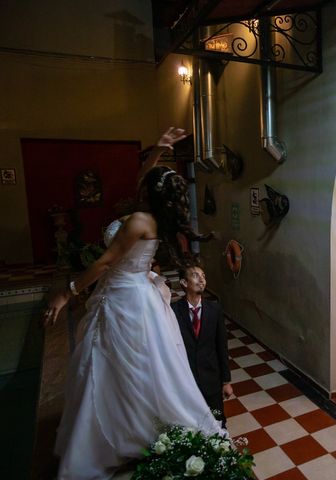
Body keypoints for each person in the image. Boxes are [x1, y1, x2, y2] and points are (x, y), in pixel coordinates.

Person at [43, 128, 226, 479]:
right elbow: (142, 180)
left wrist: (68, 291)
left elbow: (107, 262)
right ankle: (133, 426)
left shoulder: (141, 220)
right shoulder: (149, 213)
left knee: (125, 367)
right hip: (133, 292)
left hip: (125, 297)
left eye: (146, 180)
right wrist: (157, 152)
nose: (139, 182)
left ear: (149, 193)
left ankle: (126, 435)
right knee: (132, 369)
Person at [172, 265, 233, 426]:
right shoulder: (174, 311)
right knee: (192, 422)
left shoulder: (215, 309)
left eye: (203, 275)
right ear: (184, 282)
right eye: (195, 275)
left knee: (218, 420)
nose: (201, 279)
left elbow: (222, 346)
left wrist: (226, 381)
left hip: (211, 378)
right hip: (187, 378)